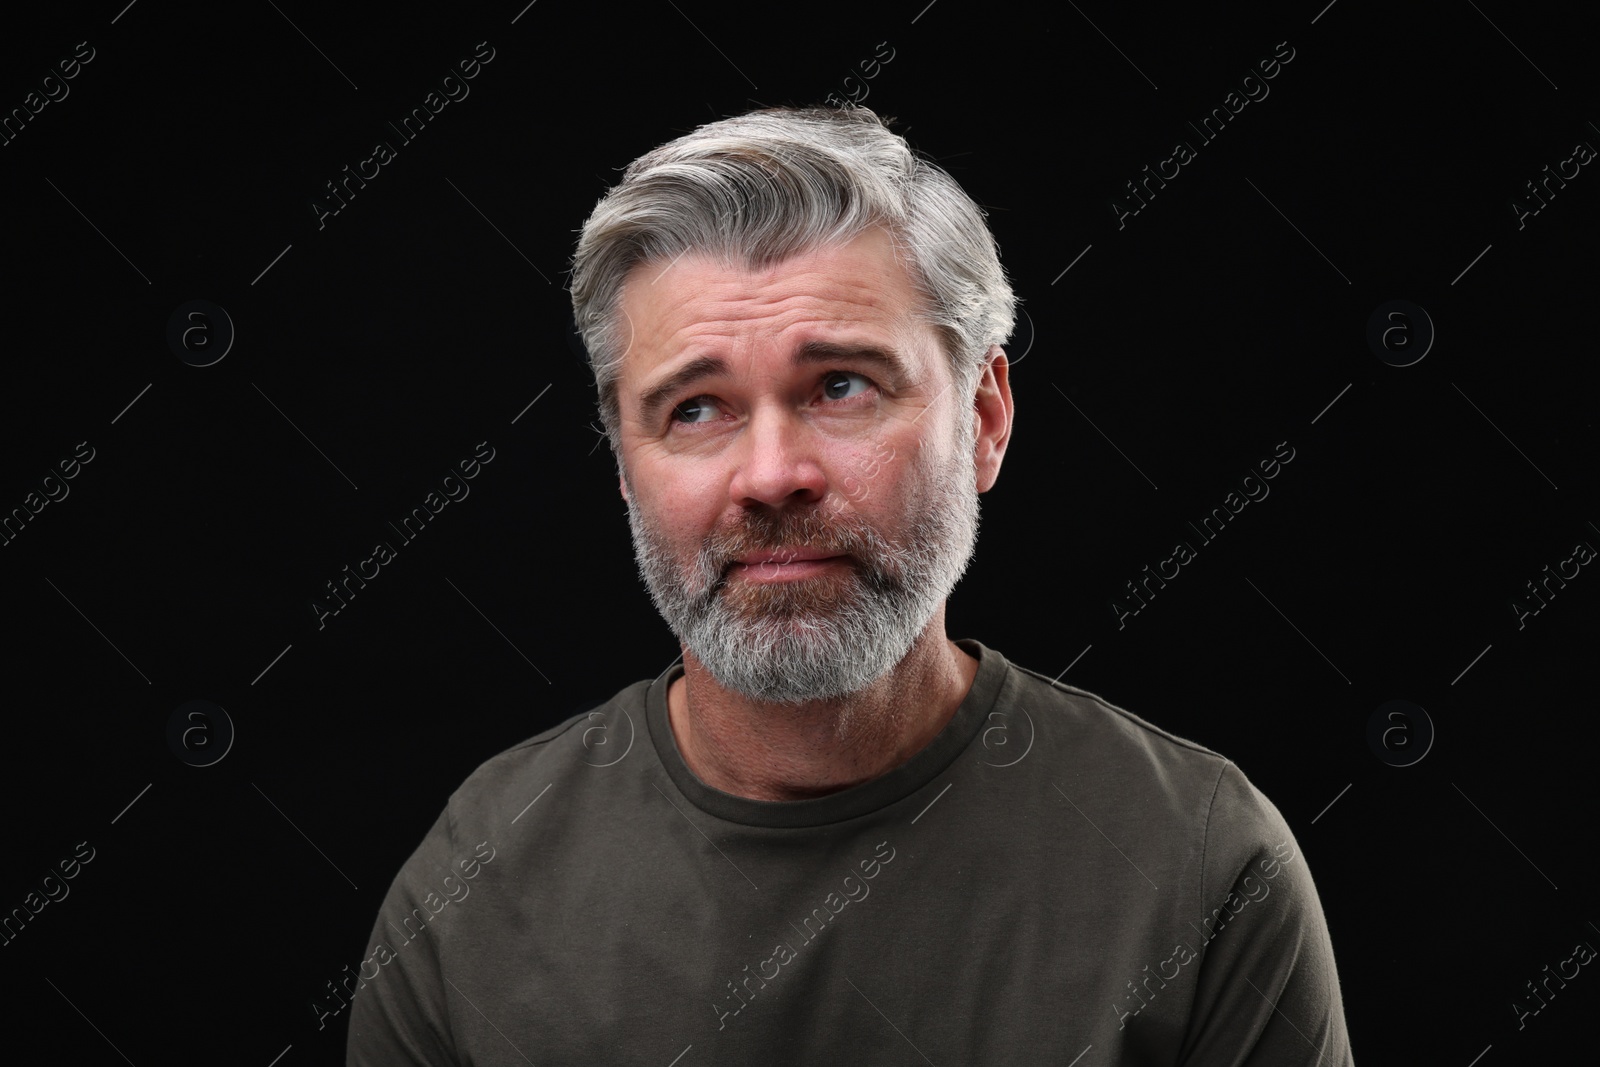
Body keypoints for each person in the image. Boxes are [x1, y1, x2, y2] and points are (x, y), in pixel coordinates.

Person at [345, 105, 1354, 1065]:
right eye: (695, 407)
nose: (771, 473)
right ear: (622, 460)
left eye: (840, 385)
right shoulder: (475, 879)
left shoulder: (1199, 863)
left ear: (985, 416)